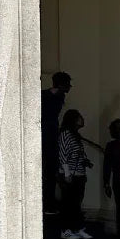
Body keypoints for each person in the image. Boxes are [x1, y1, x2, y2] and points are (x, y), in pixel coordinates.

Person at [57, 109, 93, 239]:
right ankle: (65, 230)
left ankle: (76, 228)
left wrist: (85, 161)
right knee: (68, 203)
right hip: (70, 174)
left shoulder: (75, 135)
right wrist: (67, 173)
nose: (82, 119)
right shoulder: (65, 134)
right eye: (79, 117)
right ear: (73, 119)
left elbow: (77, 153)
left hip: (79, 174)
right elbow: (62, 154)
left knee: (76, 203)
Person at [41, 71, 72, 215]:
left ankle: (49, 203)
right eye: (68, 84)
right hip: (48, 134)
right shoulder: (55, 95)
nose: (70, 87)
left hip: (48, 133)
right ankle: (48, 204)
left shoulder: (46, 94)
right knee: (50, 170)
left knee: (49, 170)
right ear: (62, 84)